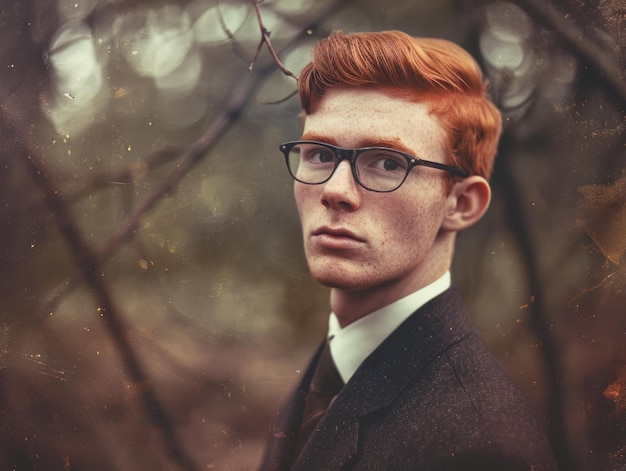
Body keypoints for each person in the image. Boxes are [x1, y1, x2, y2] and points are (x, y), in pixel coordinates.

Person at [260, 30, 558, 471]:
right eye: (320, 154)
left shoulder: (482, 446)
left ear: (460, 204)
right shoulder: (338, 361)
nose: (335, 192)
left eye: (386, 163)